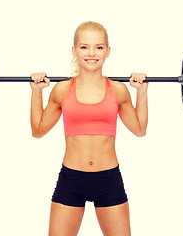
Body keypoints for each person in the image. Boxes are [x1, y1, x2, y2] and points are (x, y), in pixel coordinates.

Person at [30, 21, 148, 236]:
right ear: (74, 50)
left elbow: (139, 130)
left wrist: (141, 92)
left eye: (99, 47)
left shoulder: (118, 90)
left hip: (108, 179)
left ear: (108, 51)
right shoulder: (62, 90)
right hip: (71, 179)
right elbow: (38, 131)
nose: (91, 53)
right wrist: (36, 92)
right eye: (84, 47)